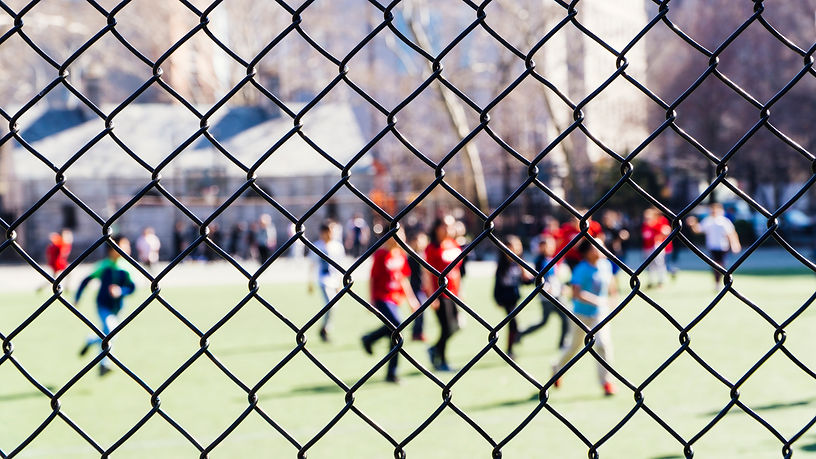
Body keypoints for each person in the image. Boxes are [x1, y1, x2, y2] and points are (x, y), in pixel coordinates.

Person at [552, 238, 618, 396]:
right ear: (588, 252)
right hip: (581, 314)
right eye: (597, 247)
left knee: (603, 344)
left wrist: (613, 298)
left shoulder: (606, 265)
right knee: (573, 347)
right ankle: (557, 368)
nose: (601, 249)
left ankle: (606, 382)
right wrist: (599, 301)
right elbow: (576, 293)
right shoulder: (581, 269)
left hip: (600, 314)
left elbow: (611, 283)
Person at [361, 228, 421, 383]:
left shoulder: (401, 255)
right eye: (395, 237)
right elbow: (373, 277)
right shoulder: (381, 255)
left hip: (395, 298)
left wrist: (411, 300)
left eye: (401, 237)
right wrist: (371, 299)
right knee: (397, 327)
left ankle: (370, 340)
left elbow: (403, 279)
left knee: (393, 331)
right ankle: (391, 371)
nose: (398, 240)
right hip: (382, 297)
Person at [75, 235, 136, 376]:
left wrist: (121, 291)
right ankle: (104, 365)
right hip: (103, 305)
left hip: (118, 308)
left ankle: (91, 341)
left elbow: (132, 288)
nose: (127, 248)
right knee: (110, 331)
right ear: (112, 249)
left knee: (108, 333)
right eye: (123, 245)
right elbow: (86, 280)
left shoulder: (126, 268)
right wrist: (78, 297)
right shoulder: (104, 266)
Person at [516, 234, 569, 350]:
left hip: (556, 294)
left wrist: (560, 287)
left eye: (551, 245)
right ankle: (520, 334)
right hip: (547, 297)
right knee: (548, 321)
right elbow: (538, 278)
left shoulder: (550, 259)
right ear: (541, 247)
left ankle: (562, 343)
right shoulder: (540, 261)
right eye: (546, 245)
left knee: (563, 319)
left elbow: (553, 277)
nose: (550, 247)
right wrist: (547, 287)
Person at [424, 216, 463, 371]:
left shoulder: (453, 244)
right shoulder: (432, 248)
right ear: (437, 228)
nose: (448, 229)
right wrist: (431, 296)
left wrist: (460, 291)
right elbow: (426, 274)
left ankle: (434, 349)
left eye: (451, 226)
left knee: (455, 326)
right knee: (446, 327)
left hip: (453, 293)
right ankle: (442, 360)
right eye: (445, 226)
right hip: (440, 293)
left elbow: (457, 271)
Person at [492, 235, 533, 359]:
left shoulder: (519, 262)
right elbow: (497, 284)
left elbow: (525, 282)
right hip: (505, 298)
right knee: (513, 323)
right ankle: (509, 350)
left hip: (515, 297)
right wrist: (497, 299)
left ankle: (511, 346)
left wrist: (529, 276)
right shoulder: (502, 264)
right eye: (513, 246)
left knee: (513, 324)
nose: (516, 249)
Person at [687, 203, 742, 287]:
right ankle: (717, 282)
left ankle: (721, 280)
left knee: (722, 264)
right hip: (712, 246)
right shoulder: (708, 221)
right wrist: (693, 223)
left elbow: (731, 233)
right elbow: (698, 230)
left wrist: (735, 244)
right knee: (715, 265)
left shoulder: (724, 221)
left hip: (723, 246)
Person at [308, 220, 346, 342]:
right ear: (323, 233)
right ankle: (326, 329)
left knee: (334, 305)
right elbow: (312, 265)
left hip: (334, 279)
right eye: (329, 231)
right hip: (323, 279)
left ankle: (325, 328)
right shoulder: (318, 246)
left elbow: (341, 266)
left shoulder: (338, 246)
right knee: (331, 304)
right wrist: (310, 282)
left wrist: (340, 282)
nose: (331, 234)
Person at [407, 231, 430, 342]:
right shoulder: (411, 257)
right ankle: (417, 333)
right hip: (414, 287)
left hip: (422, 287)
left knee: (421, 310)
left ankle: (417, 331)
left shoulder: (424, 255)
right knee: (420, 309)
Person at [641, 209, 670, 289]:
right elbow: (645, 237)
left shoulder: (658, 224)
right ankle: (651, 281)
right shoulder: (645, 225)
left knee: (659, 264)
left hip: (656, 246)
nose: (647, 219)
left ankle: (661, 281)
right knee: (650, 265)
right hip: (647, 247)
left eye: (649, 217)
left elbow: (666, 231)